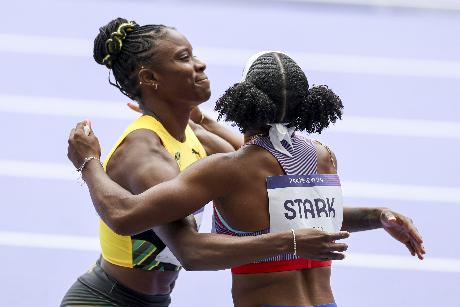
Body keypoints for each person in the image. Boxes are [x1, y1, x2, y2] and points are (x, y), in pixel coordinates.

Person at [67, 50, 425, 307]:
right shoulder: (321, 156)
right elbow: (315, 222)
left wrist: (88, 162)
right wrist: (377, 215)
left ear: (243, 101)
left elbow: (125, 216)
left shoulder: (228, 169)